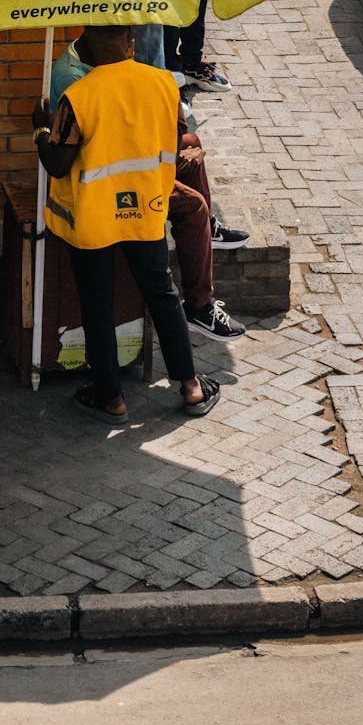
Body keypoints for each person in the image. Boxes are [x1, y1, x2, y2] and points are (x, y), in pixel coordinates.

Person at [33, 25, 222, 425]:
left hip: (93, 218)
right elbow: (175, 138)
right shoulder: (163, 85)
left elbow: (57, 163)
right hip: (147, 210)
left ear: (87, 49)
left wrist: (40, 130)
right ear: (130, 42)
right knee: (163, 295)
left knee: (97, 304)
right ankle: (190, 386)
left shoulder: (77, 97)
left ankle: (111, 397)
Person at [50, 29, 248, 339]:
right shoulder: (77, 82)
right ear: (116, 42)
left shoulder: (98, 63)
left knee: (190, 142)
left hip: (126, 159)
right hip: (110, 182)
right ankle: (199, 306)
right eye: (129, 41)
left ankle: (208, 227)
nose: (132, 50)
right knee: (193, 206)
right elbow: (100, 141)